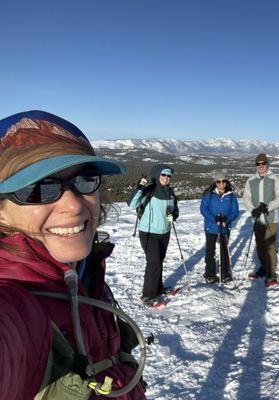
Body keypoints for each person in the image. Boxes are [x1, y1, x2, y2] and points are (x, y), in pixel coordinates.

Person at [0, 110, 145, 399]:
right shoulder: (16, 303)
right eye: (37, 189)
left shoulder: (84, 271)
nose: (74, 206)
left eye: (85, 180)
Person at [129, 164, 179, 306]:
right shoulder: (149, 190)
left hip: (165, 232)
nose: (166, 178)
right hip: (149, 232)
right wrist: (139, 187)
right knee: (153, 262)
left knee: (159, 260)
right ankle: (148, 295)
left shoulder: (170, 192)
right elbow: (132, 204)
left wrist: (173, 216)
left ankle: (157, 288)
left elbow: (175, 210)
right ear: (157, 176)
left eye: (169, 176)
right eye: (163, 175)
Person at [243, 153, 279, 286]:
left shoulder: (274, 179)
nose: (261, 166)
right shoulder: (251, 180)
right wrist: (253, 210)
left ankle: (272, 273)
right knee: (260, 245)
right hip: (257, 218)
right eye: (258, 164)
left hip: (271, 217)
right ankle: (263, 267)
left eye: (263, 163)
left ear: (267, 164)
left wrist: (268, 207)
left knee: (270, 245)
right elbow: (246, 198)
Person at [200, 170, 239, 283]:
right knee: (210, 251)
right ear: (215, 183)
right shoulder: (209, 195)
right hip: (211, 227)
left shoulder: (231, 196)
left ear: (226, 182)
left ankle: (225, 273)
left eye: (223, 181)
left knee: (224, 250)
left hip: (224, 226)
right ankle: (210, 273)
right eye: (218, 181)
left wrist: (227, 219)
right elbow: (203, 209)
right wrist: (214, 218)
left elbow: (235, 212)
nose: (221, 183)